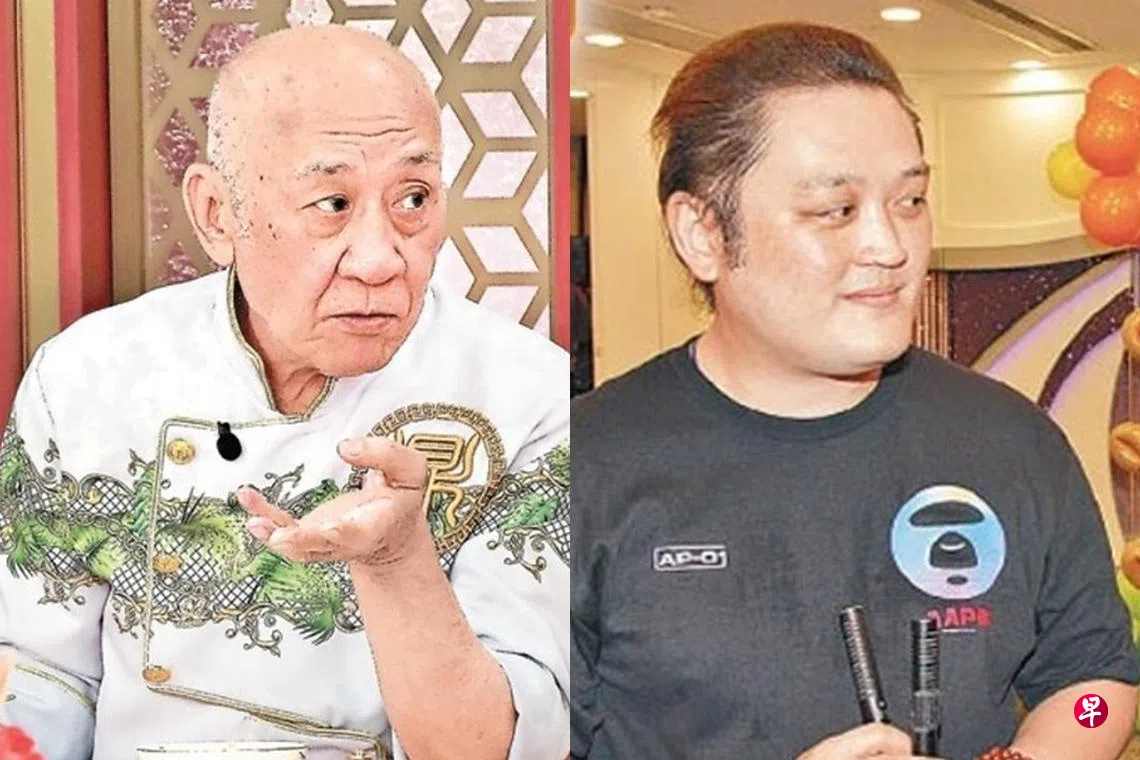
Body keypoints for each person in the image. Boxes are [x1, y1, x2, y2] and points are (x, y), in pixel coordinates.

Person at [570, 22, 1139, 760]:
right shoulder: (579, 466)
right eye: (836, 211)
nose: (891, 247)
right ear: (703, 233)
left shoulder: (1010, 439)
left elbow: (1094, 685)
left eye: (910, 201)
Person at [0, 25, 568, 760]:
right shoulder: (90, 373)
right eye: (332, 203)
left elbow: (499, 745)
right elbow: (39, 674)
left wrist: (398, 561)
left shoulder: (525, 394)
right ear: (217, 214)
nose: (378, 259)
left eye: (413, 198)